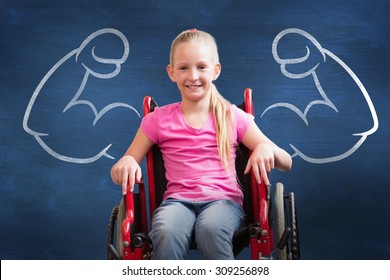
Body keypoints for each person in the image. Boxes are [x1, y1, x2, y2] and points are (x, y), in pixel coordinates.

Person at [110, 29, 292, 259]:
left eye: (201, 67)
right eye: (184, 67)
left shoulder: (231, 116)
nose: (193, 76)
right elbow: (119, 171)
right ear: (171, 72)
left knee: (211, 228)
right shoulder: (157, 119)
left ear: (216, 71)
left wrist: (265, 147)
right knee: (165, 230)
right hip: (177, 204)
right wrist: (125, 162)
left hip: (223, 203)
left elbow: (286, 162)